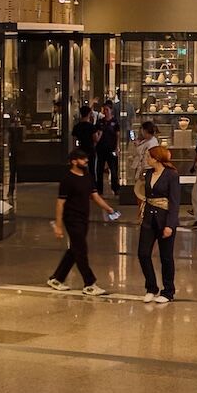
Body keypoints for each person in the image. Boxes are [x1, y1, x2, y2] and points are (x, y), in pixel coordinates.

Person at [47, 147, 112, 296]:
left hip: (84, 218)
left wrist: (108, 208)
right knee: (81, 250)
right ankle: (89, 283)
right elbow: (60, 203)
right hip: (72, 219)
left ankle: (57, 278)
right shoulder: (67, 179)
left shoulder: (87, 176)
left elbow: (94, 195)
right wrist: (58, 225)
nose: (86, 161)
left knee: (75, 250)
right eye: (83, 159)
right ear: (74, 161)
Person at [137, 145, 180, 304]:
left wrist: (170, 225)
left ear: (156, 158)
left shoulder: (171, 175)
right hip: (149, 219)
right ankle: (151, 287)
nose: (147, 159)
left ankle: (168, 291)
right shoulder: (148, 174)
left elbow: (174, 202)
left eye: (149, 156)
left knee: (166, 257)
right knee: (143, 253)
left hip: (164, 219)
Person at [94, 102, 121, 195]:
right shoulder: (100, 122)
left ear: (111, 110)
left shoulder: (115, 122)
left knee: (113, 169)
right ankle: (99, 189)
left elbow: (118, 135)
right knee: (99, 170)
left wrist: (117, 147)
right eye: (104, 110)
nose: (105, 111)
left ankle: (115, 188)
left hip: (111, 149)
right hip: (101, 149)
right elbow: (96, 134)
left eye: (107, 110)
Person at [73, 103, 98, 174]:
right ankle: (91, 180)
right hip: (90, 149)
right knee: (92, 169)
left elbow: (74, 140)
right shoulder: (91, 126)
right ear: (89, 114)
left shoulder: (77, 126)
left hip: (81, 149)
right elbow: (96, 139)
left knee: (81, 169)